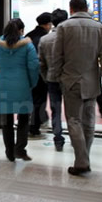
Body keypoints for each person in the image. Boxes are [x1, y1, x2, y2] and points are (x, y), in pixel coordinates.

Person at [52, 0, 102, 176]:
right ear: (86, 8)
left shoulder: (63, 27)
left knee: (73, 120)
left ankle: (81, 161)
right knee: (89, 122)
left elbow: (57, 57)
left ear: (71, 9)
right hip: (92, 83)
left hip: (70, 82)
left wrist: (56, 78)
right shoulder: (100, 28)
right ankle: (84, 158)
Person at [0, 18, 39, 162]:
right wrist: (32, 83)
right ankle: (20, 149)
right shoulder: (28, 46)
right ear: (21, 30)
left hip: (3, 85)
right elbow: (33, 67)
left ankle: (9, 152)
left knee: (6, 121)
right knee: (23, 119)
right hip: (22, 85)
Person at [38, 8, 68, 152]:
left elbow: (41, 64)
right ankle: (77, 140)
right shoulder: (70, 39)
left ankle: (58, 139)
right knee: (73, 110)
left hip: (52, 80)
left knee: (56, 110)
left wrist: (46, 77)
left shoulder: (44, 39)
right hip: (70, 80)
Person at [25, 12, 52, 137]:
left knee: (31, 99)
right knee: (39, 100)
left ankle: (34, 122)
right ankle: (34, 127)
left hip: (27, 74)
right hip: (41, 74)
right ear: (47, 24)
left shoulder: (28, 36)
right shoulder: (45, 38)